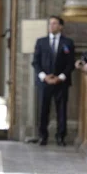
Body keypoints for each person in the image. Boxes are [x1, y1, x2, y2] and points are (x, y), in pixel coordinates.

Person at [32, 16, 75, 146]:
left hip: (61, 82)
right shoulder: (41, 42)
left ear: (60, 26)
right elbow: (36, 62)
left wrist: (60, 77)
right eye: (50, 23)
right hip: (44, 82)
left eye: (55, 23)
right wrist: (44, 76)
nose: (51, 26)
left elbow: (70, 63)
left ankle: (60, 136)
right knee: (43, 109)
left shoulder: (67, 42)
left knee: (61, 110)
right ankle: (42, 136)